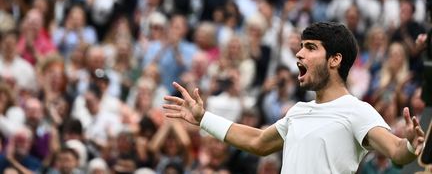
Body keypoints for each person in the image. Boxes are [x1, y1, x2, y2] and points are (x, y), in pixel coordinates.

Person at [163, 22, 425, 173]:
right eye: (301, 47)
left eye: (310, 48)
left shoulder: (357, 110)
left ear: (335, 59)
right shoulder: (299, 111)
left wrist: (411, 144)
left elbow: (397, 152)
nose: (299, 54)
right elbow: (257, 141)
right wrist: (203, 118)